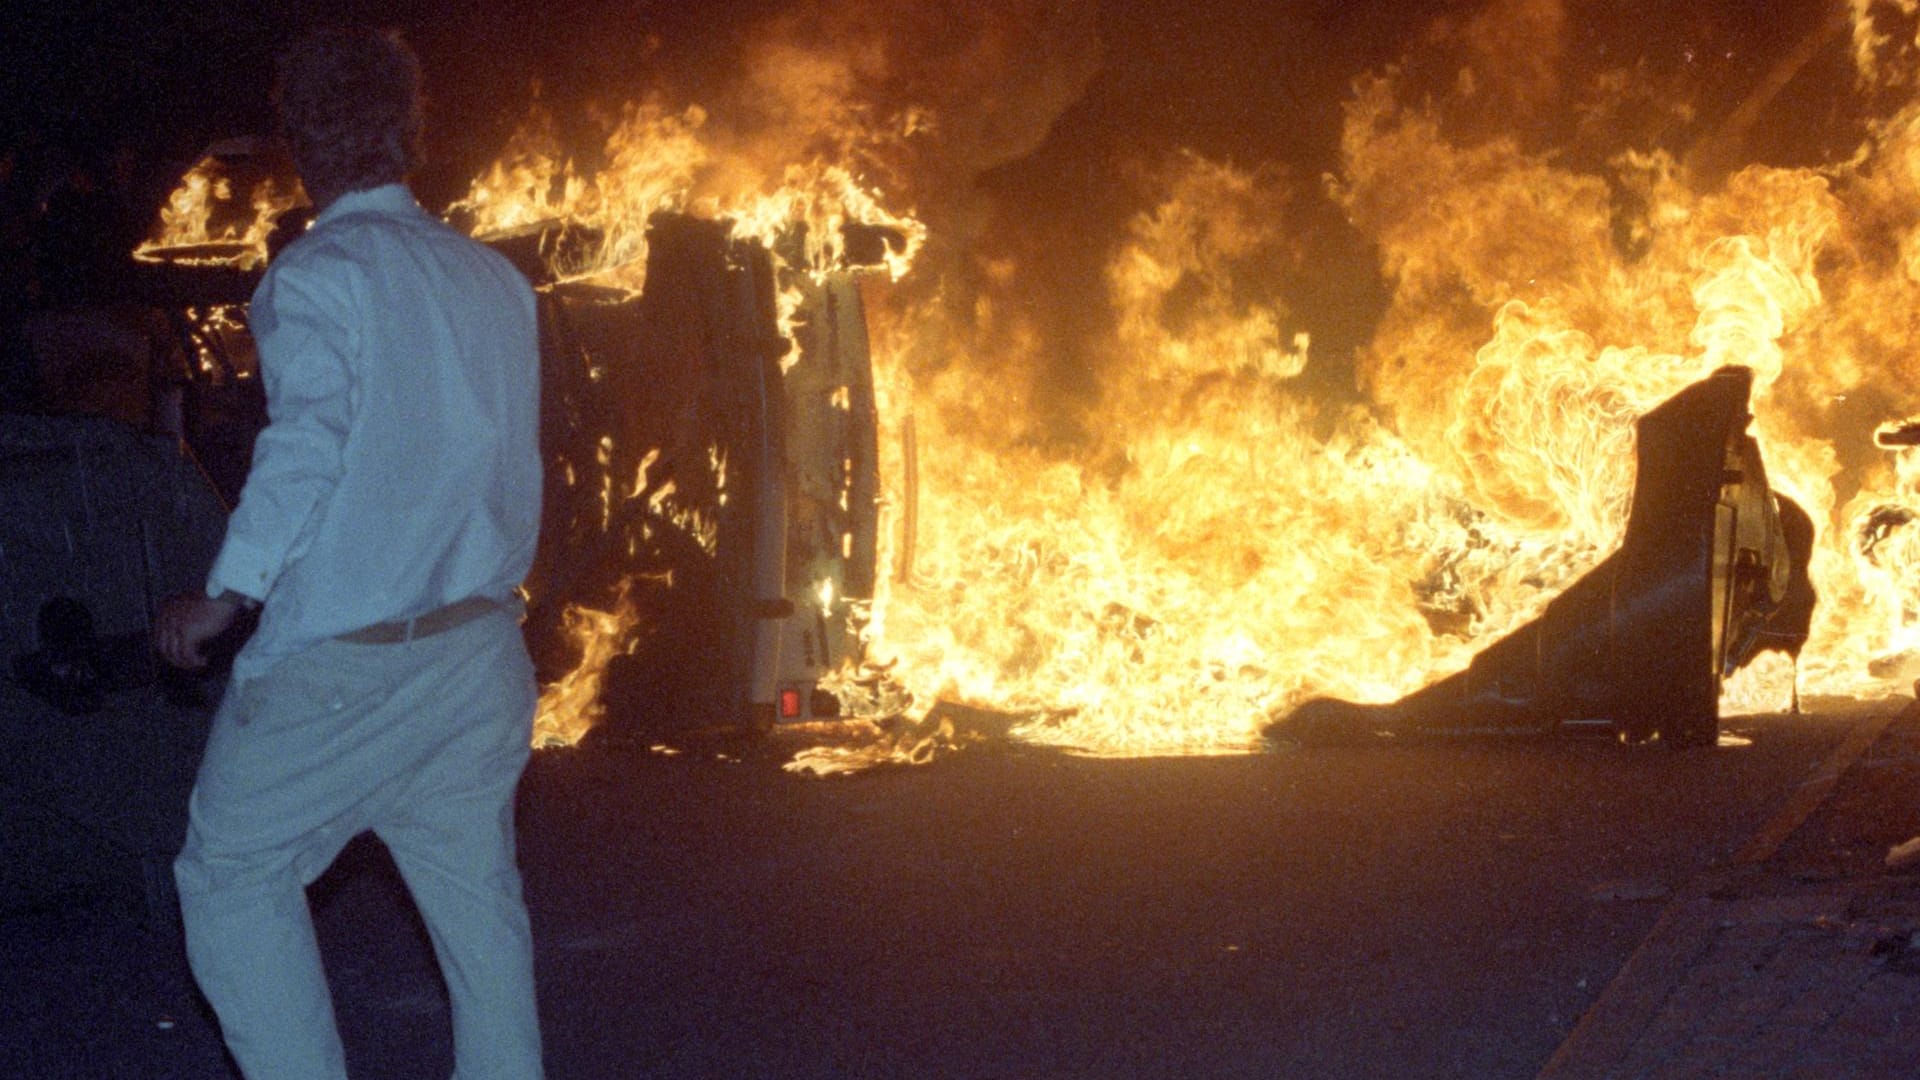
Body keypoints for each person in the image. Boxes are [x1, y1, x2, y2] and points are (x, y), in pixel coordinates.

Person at [154, 26, 545, 1079]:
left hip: (346, 662)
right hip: (478, 654)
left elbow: (307, 445)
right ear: (411, 132)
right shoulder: (496, 283)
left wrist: (227, 595)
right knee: (481, 923)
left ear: (299, 144)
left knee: (231, 874)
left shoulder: (318, 275)